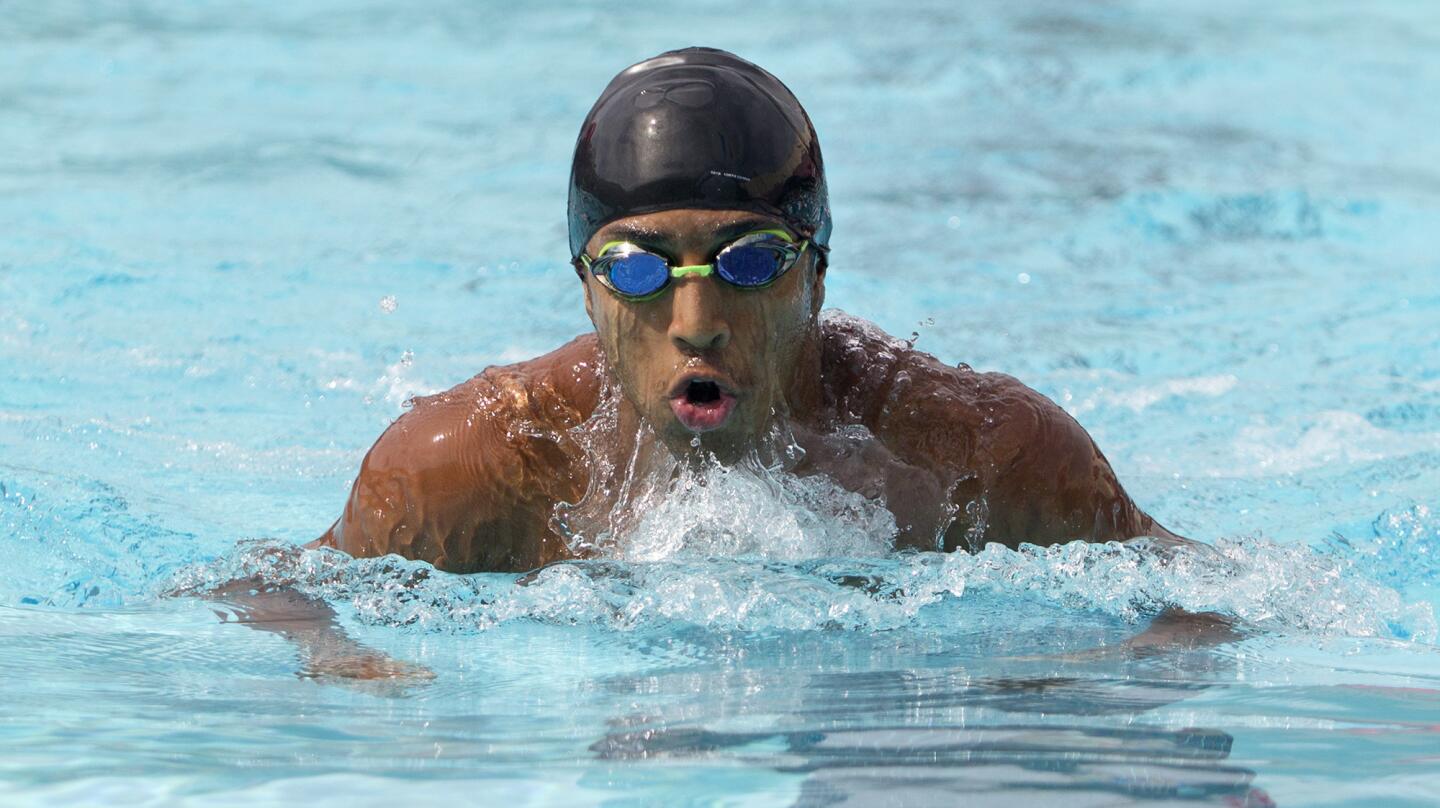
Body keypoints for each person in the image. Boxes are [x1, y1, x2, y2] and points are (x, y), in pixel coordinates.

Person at [309, 46, 1183, 573]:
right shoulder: (464, 467)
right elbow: (276, 599)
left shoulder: (979, 457)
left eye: (750, 260)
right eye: (639, 269)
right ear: (585, 284)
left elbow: (1200, 605)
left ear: (818, 275)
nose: (696, 319)